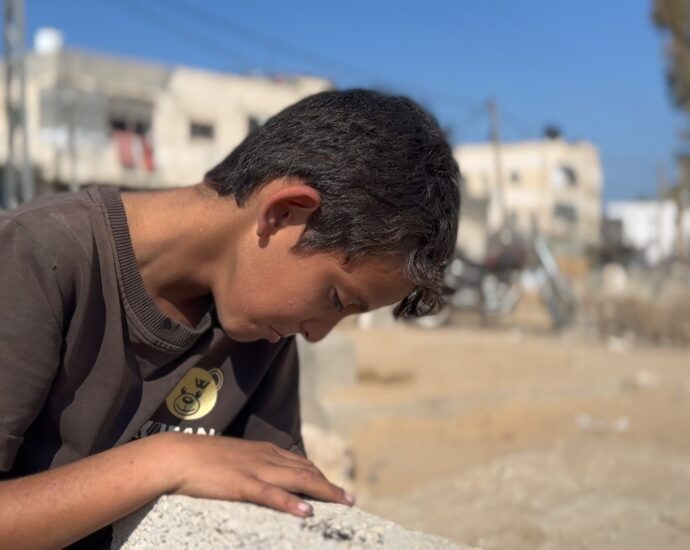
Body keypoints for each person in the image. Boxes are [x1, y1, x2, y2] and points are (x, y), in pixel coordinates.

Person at [0, 89, 460, 548]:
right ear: (282, 215)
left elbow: (282, 492)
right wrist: (165, 461)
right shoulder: (43, 254)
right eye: (337, 299)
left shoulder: (260, 328)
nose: (318, 334)